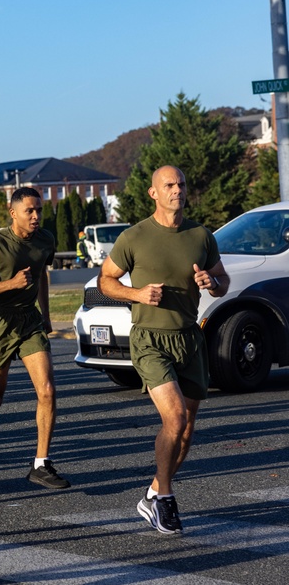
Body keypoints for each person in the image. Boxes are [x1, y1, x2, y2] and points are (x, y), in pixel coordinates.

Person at [97, 165, 228, 534]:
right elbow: (105, 280)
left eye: (182, 184)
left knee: (185, 431)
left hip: (189, 338)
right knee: (175, 419)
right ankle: (166, 499)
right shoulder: (134, 237)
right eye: (169, 185)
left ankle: (153, 491)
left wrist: (212, 282)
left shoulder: (201, 235)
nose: (177, 190)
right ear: (154, 193)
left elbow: (223, 282)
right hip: (150, 339)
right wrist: (136, 293)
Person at [0, 187, 68, 492]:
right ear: (14, 213)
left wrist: (46, 314)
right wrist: (9, 284)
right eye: (30, 211)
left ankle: (41, 464)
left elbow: (41, 275)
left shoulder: (45, 240)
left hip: (30, 320)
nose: (36, 216)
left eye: (39, 210)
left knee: (47, 390)